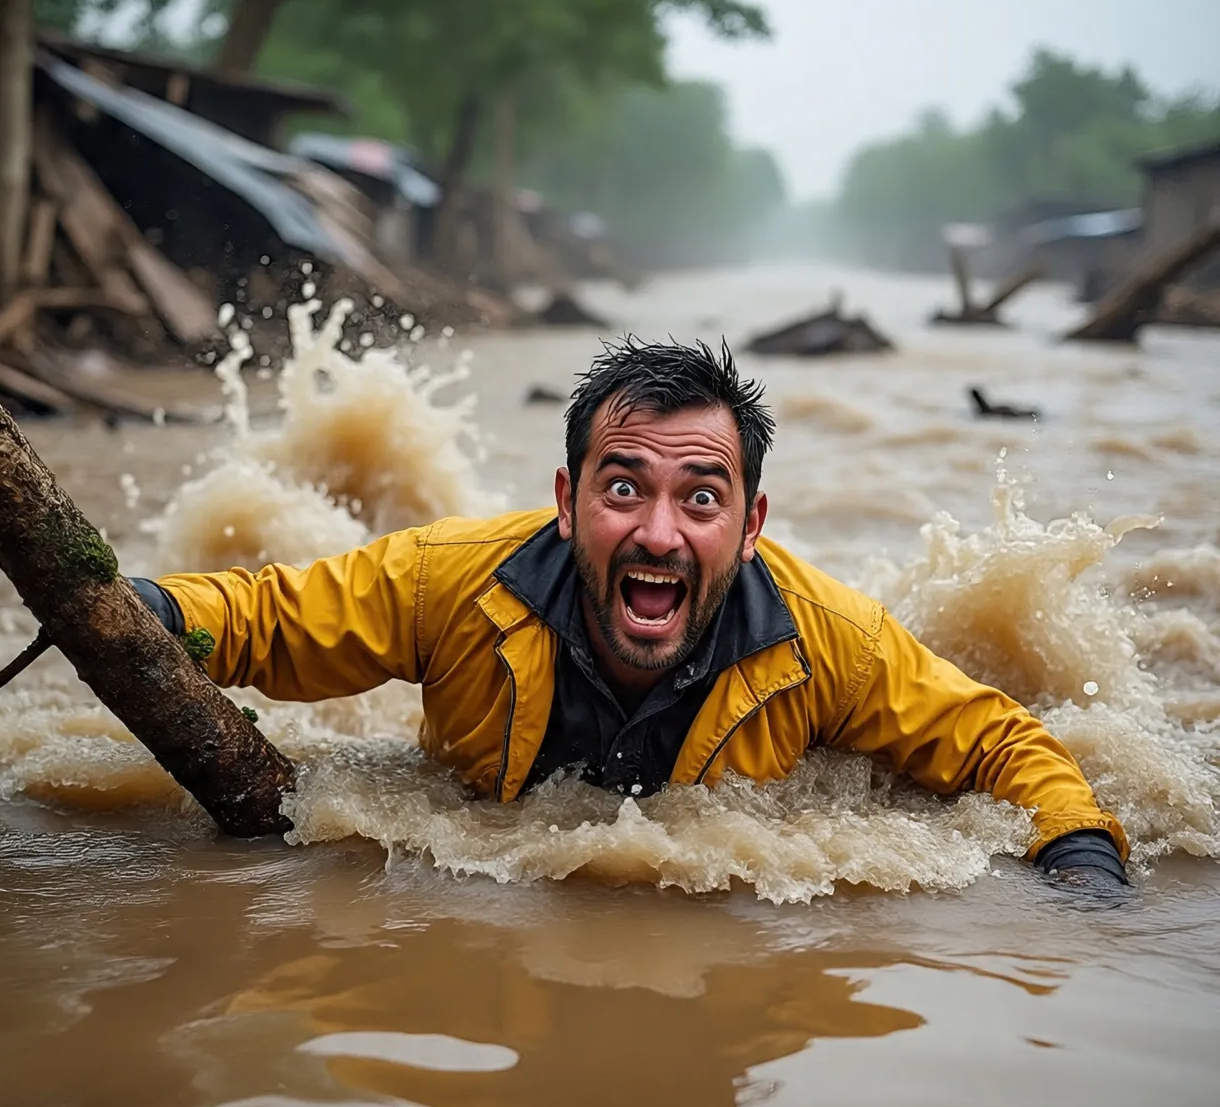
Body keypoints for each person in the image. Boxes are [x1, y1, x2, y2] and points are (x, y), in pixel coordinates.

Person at [133, 339, 1127, 887]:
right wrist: (148, 609)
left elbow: (995, 742)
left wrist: (1081, 859)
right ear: (567, 503)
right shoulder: (453, 580)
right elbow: (269, 617)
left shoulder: (830, 642)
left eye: (700, 498)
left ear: (749, 525)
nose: (657, 532)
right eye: (622, 489)